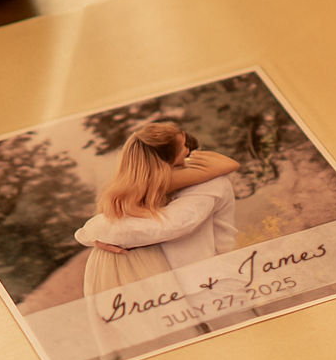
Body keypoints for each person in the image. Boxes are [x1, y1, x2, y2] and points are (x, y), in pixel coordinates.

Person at [76, 122, 239, 295]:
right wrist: (91, 236)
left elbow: (172, 226)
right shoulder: (148, 195)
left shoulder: (209, 184)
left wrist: (93, 232)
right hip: (174, 291)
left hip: (215, 284)